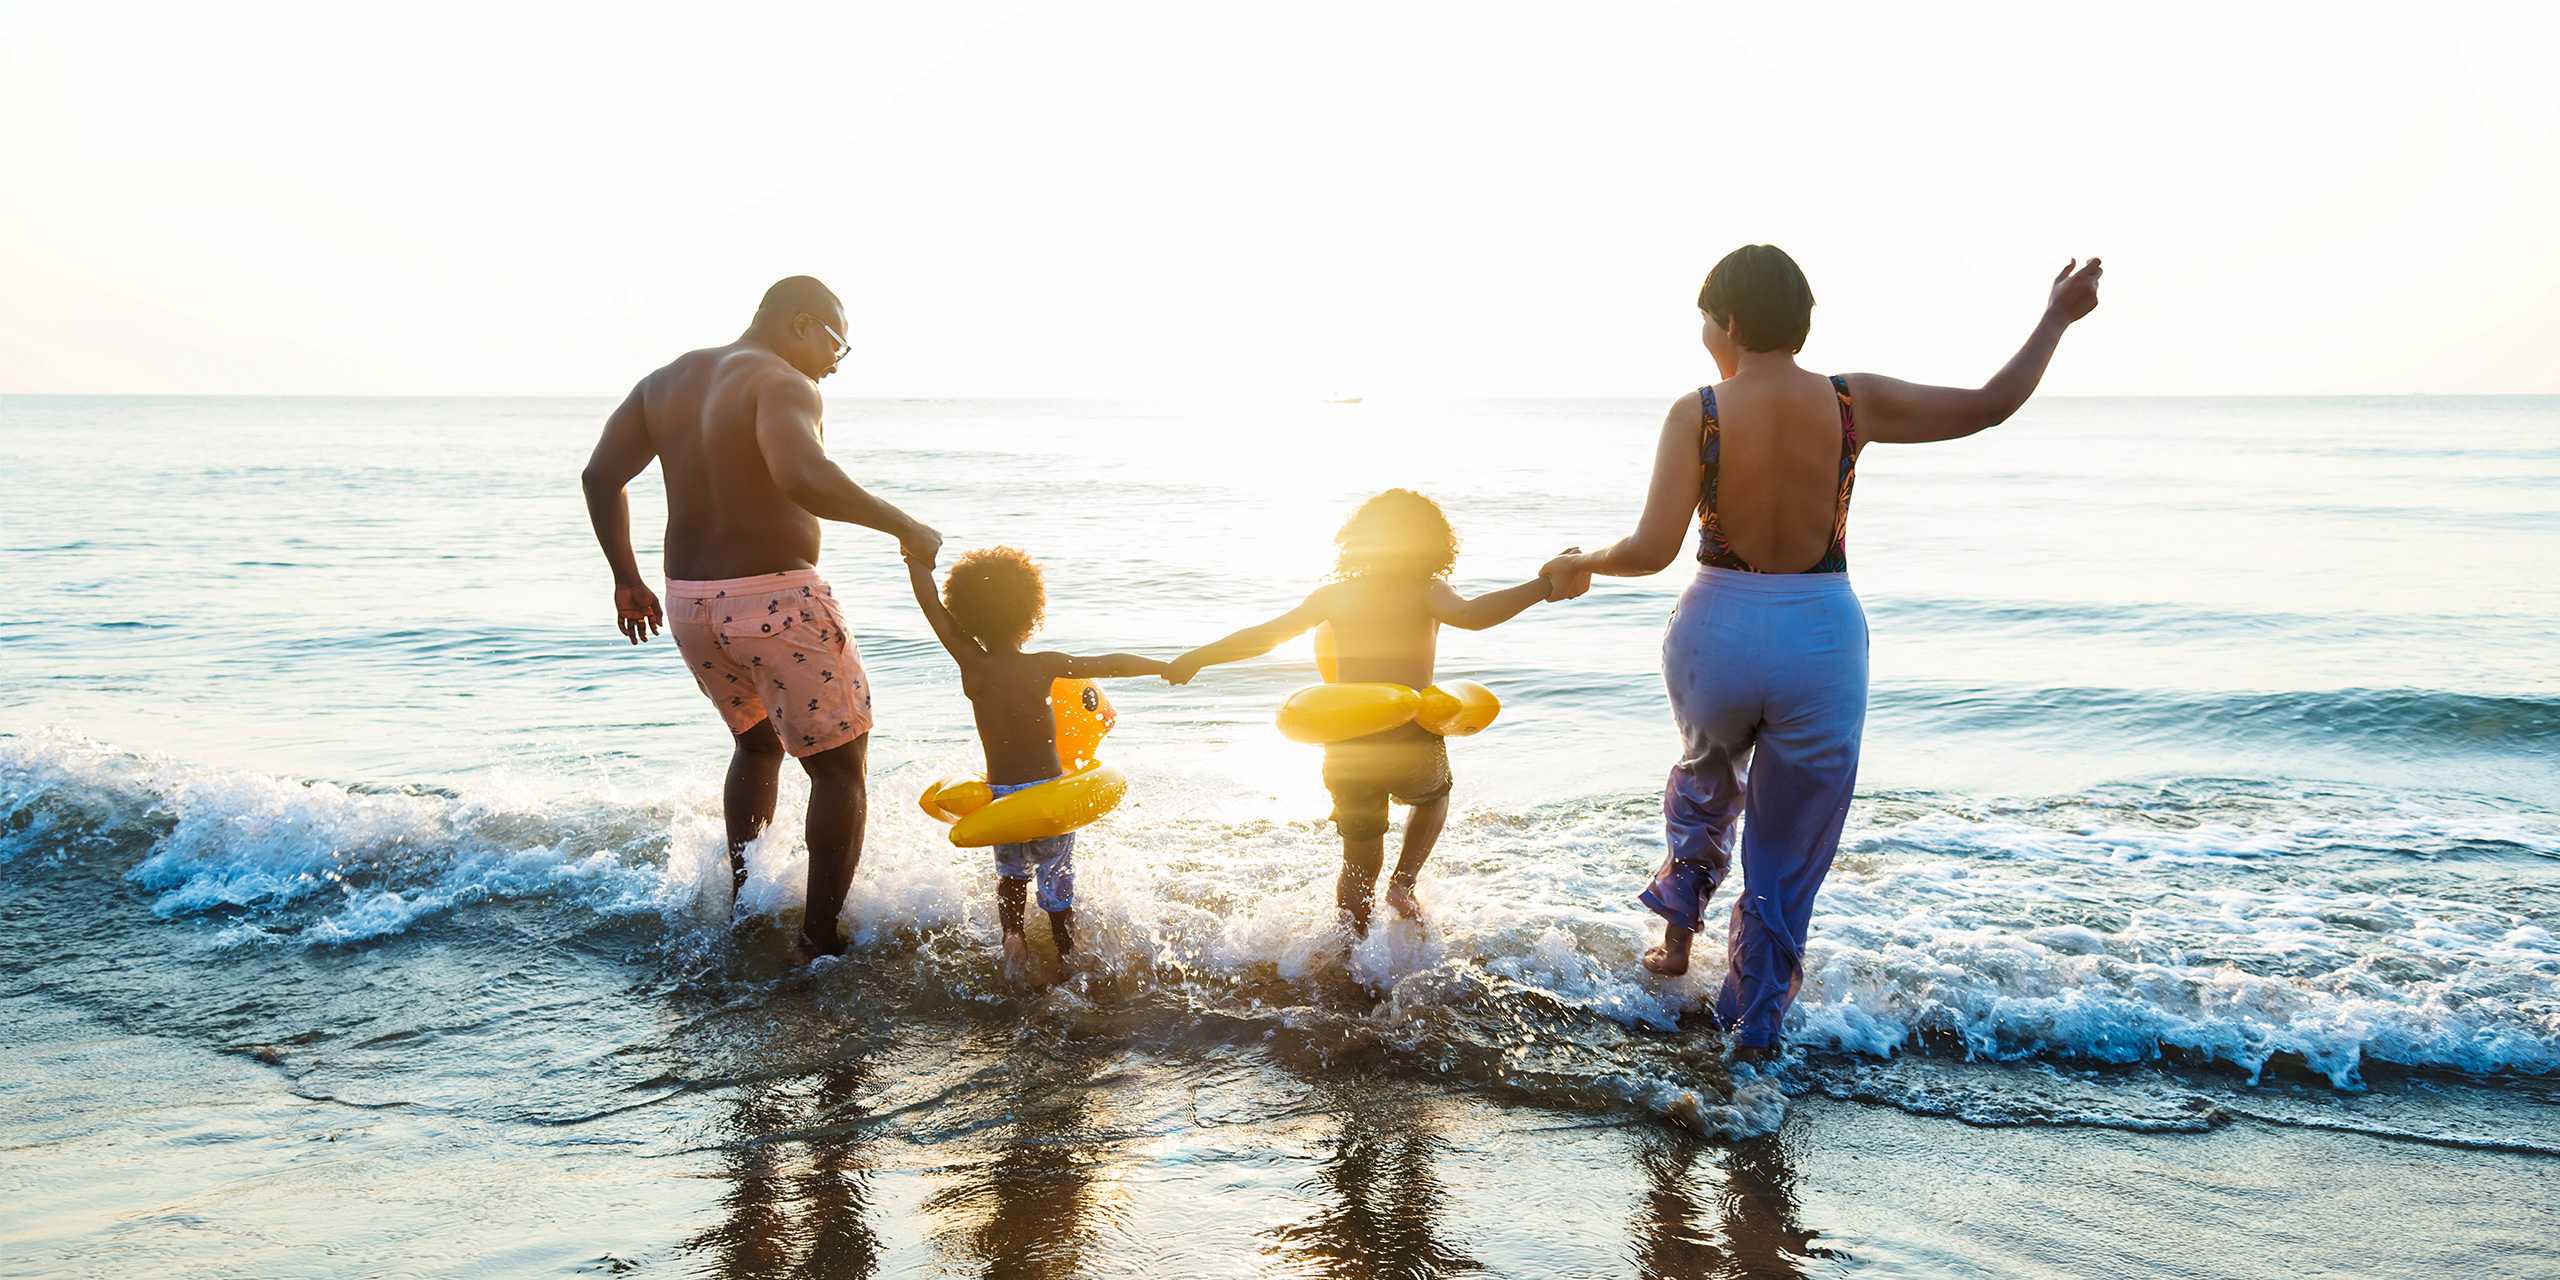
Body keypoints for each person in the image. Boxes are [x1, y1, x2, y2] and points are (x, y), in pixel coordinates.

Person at [1540, 246, 2103, 1061]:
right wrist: (2055, 317)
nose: (1703, 333)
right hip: (1820, 634)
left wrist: (1583, 560)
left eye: (1704, 317)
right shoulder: (1853, 401)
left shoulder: (1696, 411)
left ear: (1728, 320)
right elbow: (1989, 406)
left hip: (1717, 629)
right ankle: (1757, 1023)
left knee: (1704, 775)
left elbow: (1653, 548)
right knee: (1789, 838)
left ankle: (1673, 943)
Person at [580, 275, 940, 964]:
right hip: (776, 604)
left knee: (756, 745)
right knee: (839, 773)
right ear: (801, 324)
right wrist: (906, 526)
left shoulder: (665, 381)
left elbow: (601, 476)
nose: (838, 359)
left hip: (689, 604)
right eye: (838, 340)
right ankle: (817, 942)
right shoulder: (782, 381)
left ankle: (750, 909)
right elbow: (802, 475)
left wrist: (626, 578)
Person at [1164, 490, 1561, 937]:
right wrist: (1543, 586)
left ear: (1358, 540)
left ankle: (1349, 958)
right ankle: (1404, 884)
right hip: (1410, 739)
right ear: (1431, 543)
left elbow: (1266, 636)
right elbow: (1473, 615)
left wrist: (1197, 656)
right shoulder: (1427, 589)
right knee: (1434, 796)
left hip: (1349, 748)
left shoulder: (1332, 596)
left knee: (1357, 866)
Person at [905, 544, 1167, 976]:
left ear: (967, 614)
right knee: (1056, 874)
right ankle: (1065, 953)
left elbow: (931, 607)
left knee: (1011, 876)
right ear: (1031, 612)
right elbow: (1111, 663)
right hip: (1048, 798)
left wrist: (914, 560)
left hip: (1001, 799)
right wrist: (1164, 665)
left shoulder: (970, 662)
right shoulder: (1044, 665)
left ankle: (1013, 936)